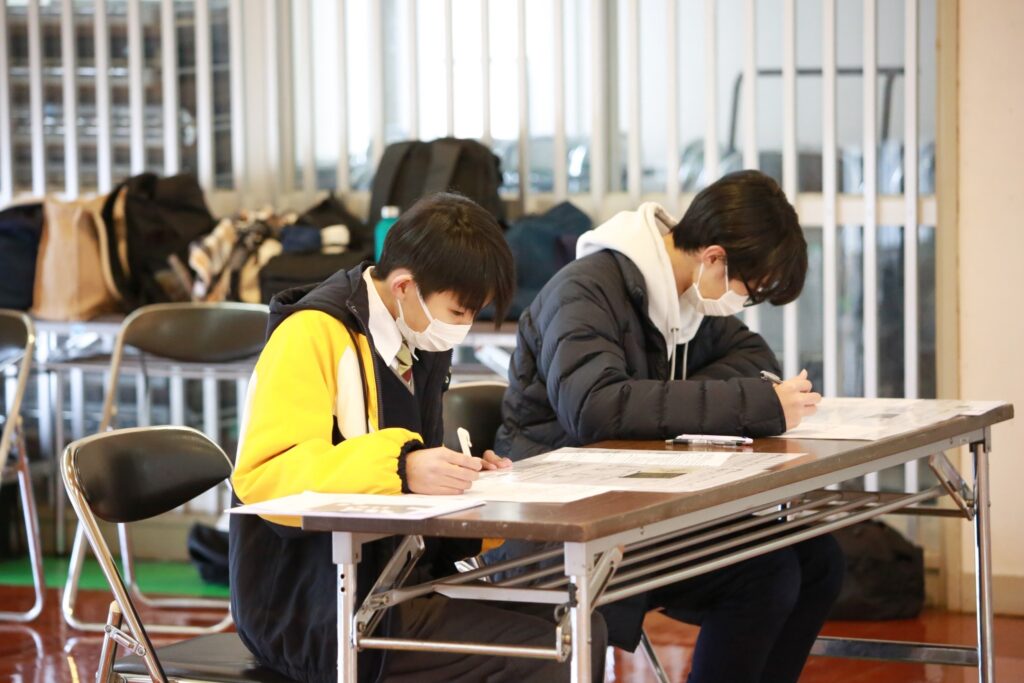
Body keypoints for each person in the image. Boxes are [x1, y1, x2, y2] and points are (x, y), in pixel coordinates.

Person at [229, 193, 607, 683]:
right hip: (312, 607)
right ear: (404, 285)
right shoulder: (311, 333)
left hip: (399, 582)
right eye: (459, 311)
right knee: (550, 652)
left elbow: (408, 482)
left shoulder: (418, 336)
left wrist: (463, 479)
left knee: (584, 628)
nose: (464, 328)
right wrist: (402, 468)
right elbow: (265, 478)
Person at [494, 170, 844, 683]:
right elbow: (594, 408)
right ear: (715, 258)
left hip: (640, 506)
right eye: (748, 291)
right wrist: (747, 404)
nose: (743, 304)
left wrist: (674, 399)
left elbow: (754, 357)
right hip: (568, 521)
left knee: (819, 559)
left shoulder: (686, 300)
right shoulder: (584, 291)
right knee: (766, 574)